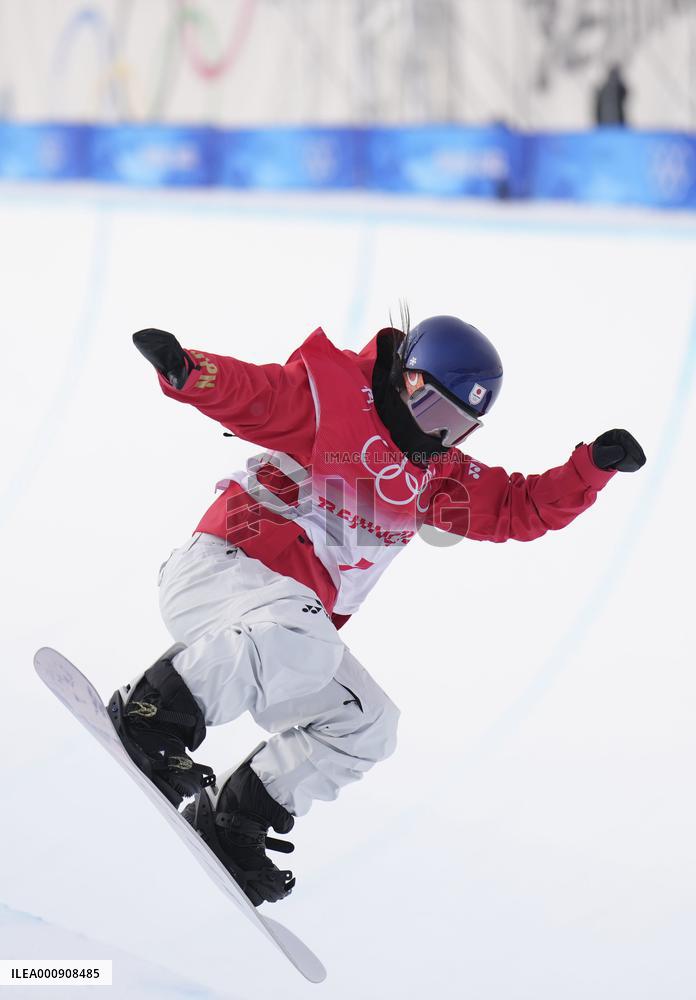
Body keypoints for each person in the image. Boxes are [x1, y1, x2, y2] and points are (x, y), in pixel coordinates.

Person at [109, 316, 645, 906]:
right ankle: (151, 715)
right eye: (435, 414)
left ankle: (236, 819)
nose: (440, 437)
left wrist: (592, 467)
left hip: (280, 631)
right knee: (301, 629)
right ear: (407, 380)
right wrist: (192, 372)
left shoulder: (435, 476)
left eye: (458, 429)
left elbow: (518, 508)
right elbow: (257, 395)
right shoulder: (334, 404)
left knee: (366, 724)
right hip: (224, 570)